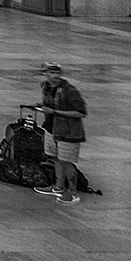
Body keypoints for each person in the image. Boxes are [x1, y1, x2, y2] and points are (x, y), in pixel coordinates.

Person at [33, 62, 87, 205]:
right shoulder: (46, 87)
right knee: (55, 158)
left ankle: (73, 192)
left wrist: (55, 112)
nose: (55, 76)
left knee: (66, 162)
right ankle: (58, 187)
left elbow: (81, 112)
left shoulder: (69, 91)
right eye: (51, 72)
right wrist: (42, 107)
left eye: (57, 73)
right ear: (44, 73)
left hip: (68, 132)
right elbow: (51, 105)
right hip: (51, 129)